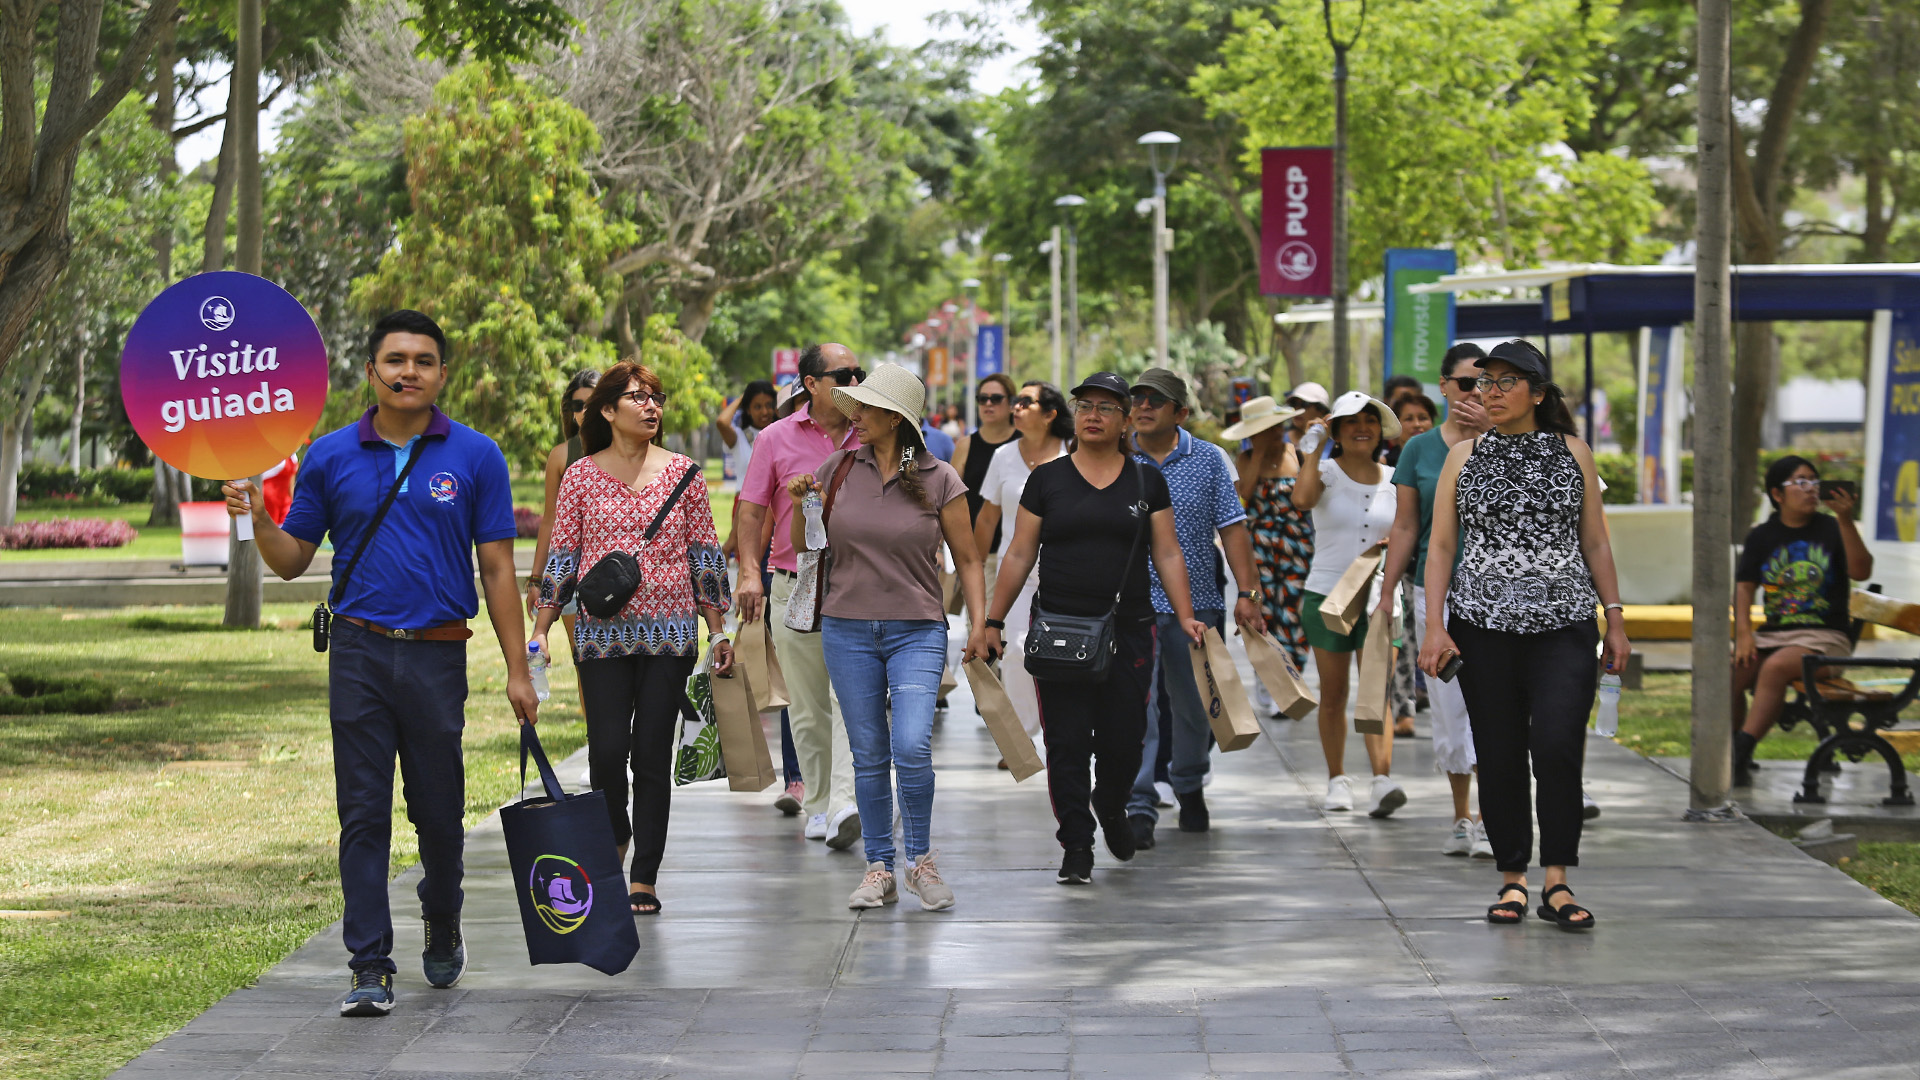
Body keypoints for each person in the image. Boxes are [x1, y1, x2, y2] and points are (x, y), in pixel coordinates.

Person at [222, 310, 535, 1017]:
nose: (408, 372)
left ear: (442, 374)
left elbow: (497, 566)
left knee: (439, 816)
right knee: (363, 814)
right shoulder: (331, 455)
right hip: (358, 652)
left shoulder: (476, 455)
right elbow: (294, 562)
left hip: (439, 653)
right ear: (371, 372)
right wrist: (259, 521)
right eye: (395, 359)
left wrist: (519, 670)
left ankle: (443, 912)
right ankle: (369, 964)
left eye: (424, 360)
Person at [1419, 338, 1630, 931]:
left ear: (1537, 393)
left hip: (1563, 625)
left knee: (1559, 747)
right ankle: (1513, 878)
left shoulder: (1573, 452)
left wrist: (1615, 617)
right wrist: (1434, 626)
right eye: (1484, 382)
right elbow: (1440, 547)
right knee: (1501, 751)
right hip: (1481, 628)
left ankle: (1558, 880)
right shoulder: (1463, 458)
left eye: (1505, 381)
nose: (1490, 391)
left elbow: (1596, 541)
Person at [973, 372, 1206, 886]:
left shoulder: (1146, 480)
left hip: (1129, 627)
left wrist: (1186, 613)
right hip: (1059, 626)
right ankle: (1076, 841)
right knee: (1068, 740)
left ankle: (1112, 803)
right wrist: (991, 620)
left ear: (1125, 419)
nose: (1094, 415)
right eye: (1085, 406)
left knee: (1125, 737)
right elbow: (1017, 552)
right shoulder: (1048, 479)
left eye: (1106, 407)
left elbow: (1167, 550)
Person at [533, 360, 732, 915]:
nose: (651, 407)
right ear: (607, 410)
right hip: (600, 639)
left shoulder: (686, 474)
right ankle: (615, 833)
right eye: (638, 398)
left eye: (656, 398)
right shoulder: (580, 475)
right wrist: (542, 628)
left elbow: (705, 556)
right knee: (605, 754)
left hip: (671, 637)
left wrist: (718, 630)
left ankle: (643, 873)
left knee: (649, 756)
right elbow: (564, 558)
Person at [785, 363, 986, 910]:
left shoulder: (941, 477)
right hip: (846, 629)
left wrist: (981, 626)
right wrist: (804, 500)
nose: (856, 419)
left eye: (867, 410)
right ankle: (880, 868)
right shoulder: (837, 469)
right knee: (870, 753)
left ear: (896, 419)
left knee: (912, 744)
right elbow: (807, 549)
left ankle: (919, 862)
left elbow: (968, 558)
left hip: (917, 629)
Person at [1123, 368, 1266, 849]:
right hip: (1129, 608)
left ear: (1180, 413)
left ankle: (1188, 785)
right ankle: (1138, 802)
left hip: (1196, 607)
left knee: (1193, 710)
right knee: (1138, 710)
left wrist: (1248, 593)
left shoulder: (1208, 459)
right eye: (1137, 398)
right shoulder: (1115, 458)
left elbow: (1233, 528)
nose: (1143, 406)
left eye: (1155, 401)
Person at [736, 345, 863, 849]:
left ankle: (845, 802)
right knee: (808, 705)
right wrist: (749, 573)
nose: (855, 380)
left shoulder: (875, 430)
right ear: (811, 384)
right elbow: (749, 512)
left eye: (859, 372)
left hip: (860, 583)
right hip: (795, 583)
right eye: (843, 374)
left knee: (853, 700)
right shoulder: (774, 438)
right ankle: (818, 802)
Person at [1376, 344, 1493, 857]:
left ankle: (1494, 817)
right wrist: (1386, 592)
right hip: (1435, 592)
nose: (1477, 394)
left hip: (1497, 593)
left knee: (1497, 704)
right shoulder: (1419, 450)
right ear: (1444, 386)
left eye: (1487, 384)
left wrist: (1489, 435)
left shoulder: (1509, 445)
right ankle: (1462, 816)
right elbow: (1406, 526)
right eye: (1466, 384)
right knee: (1449, 704)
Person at [1294, 390, 1405, 817]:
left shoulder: (1396, 477)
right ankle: (1337, 778)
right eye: (1352, 421)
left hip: (1380, 598)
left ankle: (1382, 779)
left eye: (1370, 420)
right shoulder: (1323, 472)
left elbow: (1410, 529)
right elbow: (1301, 501)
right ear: (1337, 430)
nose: (1363, 428)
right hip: (1327, 595)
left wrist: (1396, 540)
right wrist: (1312, 448)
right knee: (1335, 693)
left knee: (1376, 691)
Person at [1732, 455, 1871, 786]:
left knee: (1776, 668)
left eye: (1814, 482)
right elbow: (1744, 586)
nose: (1811, 489)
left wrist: (1847, 520)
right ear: (1777, 494)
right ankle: (1735, 748)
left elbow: (1861, 571)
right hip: (1775, 635)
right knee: (1732, 672)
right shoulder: (1762, 535)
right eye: (1801, 482)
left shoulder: (1835, 528)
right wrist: (1744, 634)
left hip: (1827, 638)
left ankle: (1740, 749)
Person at [715, 380, 805, 815]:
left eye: (774, 405)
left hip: (831, 577)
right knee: (788, 677)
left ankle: (831, 784)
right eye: (760, 405)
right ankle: (797, 778)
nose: (768, 411)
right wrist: (753, 571)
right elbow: (758, 513)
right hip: (778, 567)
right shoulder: (760, 442)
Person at [973, 381, 1073, 742]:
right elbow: (987, 518)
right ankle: (1020, 739)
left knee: (1064, 654)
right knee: (1013, 651)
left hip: (1067, 574)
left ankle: (1061, 733)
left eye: (1025, 403)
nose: (1015, 408)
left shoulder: (1073, 453)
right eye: (1015, 402)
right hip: (1014, 572)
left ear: (1049, 415)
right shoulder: (1003, 456)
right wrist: (975, 568)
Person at [1228, 397, 1314, 689]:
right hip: (1259, 550)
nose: (1275, 433)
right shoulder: (1246, 459)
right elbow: (1246, 494)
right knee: (1262, 614)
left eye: (1277, 426)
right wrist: (1260, 453)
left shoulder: (1297, 455)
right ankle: (1267, 680)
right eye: (1266, 429)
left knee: (1294, 615)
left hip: (1297, 546)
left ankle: (1292, 678)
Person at [525, 370, 601, 689]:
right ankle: (596, 736)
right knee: (585, 662)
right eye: (577, 405)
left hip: (622, 573)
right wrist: (536, 579)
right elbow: (549, 521)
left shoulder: (633, 450)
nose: (585, 411)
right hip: (572, 577)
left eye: (592, 402)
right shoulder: (562, 455)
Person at [1385, 393, 1441, 734]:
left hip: (1440, 563)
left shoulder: (1445, 456)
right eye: (1409, 418)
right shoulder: (1387, 462)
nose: (1418, 423)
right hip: (1405, 565)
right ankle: (1403, 708)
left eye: (1424, 417)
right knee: (1403, 641)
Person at [714, 380, 779, 497]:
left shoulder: (782, 435)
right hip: (744, 502)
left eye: (769, 405)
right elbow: (721, 422)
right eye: (757, 406)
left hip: (775, 505)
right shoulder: (739, 436)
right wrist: (744, 397)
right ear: (748, 410)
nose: (764, 412)